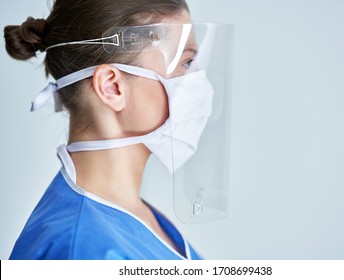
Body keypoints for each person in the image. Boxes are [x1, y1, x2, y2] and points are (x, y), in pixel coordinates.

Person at [4, 0, 233, 260]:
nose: (199, 82)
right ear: (112, 87)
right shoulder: (79, 251)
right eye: (187, 62)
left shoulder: (135, 217)